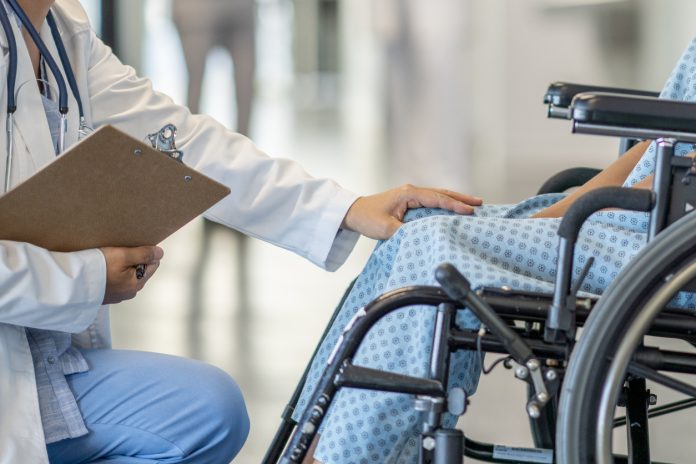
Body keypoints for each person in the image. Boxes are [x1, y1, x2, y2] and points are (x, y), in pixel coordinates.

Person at [0, 1, 484, 463]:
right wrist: (87, 277)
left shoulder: (64, 32)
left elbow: (181, 141)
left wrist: (346, 208)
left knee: (210, 410)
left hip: (40, 352)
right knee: (208, 414)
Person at [294, 37, 696, 464]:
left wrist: (579, 217)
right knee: (417, 223)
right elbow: (655, 145)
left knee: (438, 247)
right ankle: (309, 441)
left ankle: (342, 457)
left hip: (662, 243)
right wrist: (551, 217)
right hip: (633, 220)